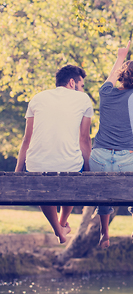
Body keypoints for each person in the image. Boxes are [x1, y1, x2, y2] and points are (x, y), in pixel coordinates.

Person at [14, 65, 93, 244]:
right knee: (73, 171)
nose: (82, 89)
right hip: (70, 166)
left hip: (35, 165)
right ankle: (62, 222)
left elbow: (27, 139)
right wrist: (88, 170)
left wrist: (18, 171)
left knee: (43, 183)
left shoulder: (37, 98)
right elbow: (84, 140)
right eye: (81, 85)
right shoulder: (83, 99)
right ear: (72, 82)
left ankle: (59, 229)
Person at [89, 41, 133, 249]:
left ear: (121, 76)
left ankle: (105, 233)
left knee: (102, 191)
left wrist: (121, 57)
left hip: (99, 158)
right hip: (127, 159)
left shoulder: (105, 93)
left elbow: (111, 78)